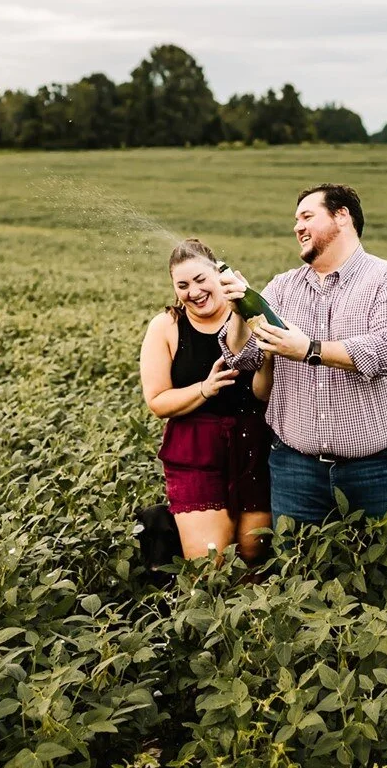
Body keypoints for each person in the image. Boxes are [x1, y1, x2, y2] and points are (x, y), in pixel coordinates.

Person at [216, 184, 387, 550]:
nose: (297, 226)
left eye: (307, 216)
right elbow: (244, 356)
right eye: (295, 220)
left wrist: (310, 350)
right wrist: (238, 310)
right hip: (296, 467)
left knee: (383, 569)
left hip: (380, 466)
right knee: (297, 566)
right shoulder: (282, 288)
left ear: (342, 216)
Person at [139, 238, 273, 564]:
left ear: (219, 275)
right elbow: (157, 401)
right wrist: (205, 388)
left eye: (200, 280)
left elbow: (263, 392)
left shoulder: (251, 315)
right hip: (195, 448)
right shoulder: (167, 326)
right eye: (182, 285)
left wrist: (269, 356)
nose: (194, 291)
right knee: (210, 562)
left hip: (253, 444)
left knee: (253, 555)